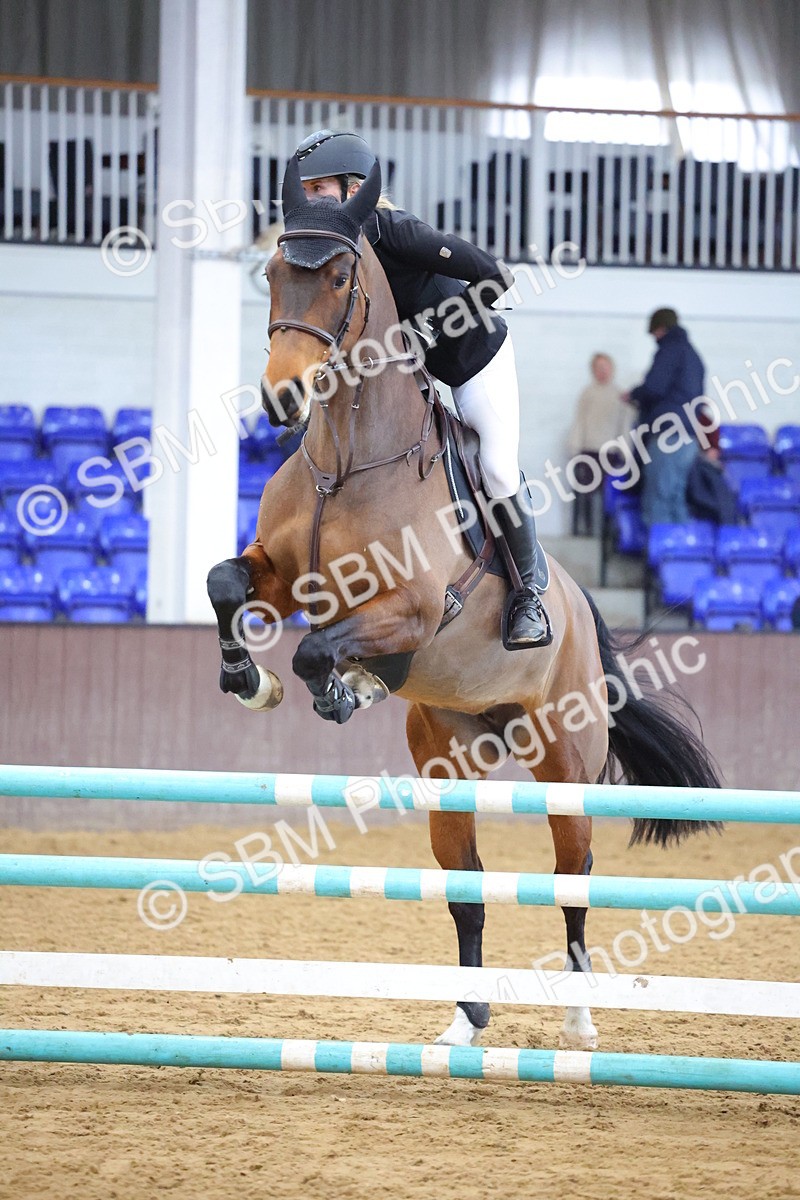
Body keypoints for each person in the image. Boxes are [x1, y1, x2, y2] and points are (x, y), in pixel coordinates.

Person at [291, 128, 549, 649]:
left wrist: (433, 328)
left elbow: (495, 279)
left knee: (496, 467)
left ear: (352, 188)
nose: (311, 198)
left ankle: (530, 596)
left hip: (473, 360)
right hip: (416, 373)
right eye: (307, 189)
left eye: (321, 189)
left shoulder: (395, 232)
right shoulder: (334, 251)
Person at [624, 308, 704, 527]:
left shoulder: (670, 350)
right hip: (689, 436)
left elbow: (654, 387)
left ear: (661, 328)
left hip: (668, 434)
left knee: (657, 499)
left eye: (654, 332)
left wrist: (633, 394)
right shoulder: (694, 355)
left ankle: (658, 558)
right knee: (676, 498)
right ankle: (683, 557)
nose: (653, 338)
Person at [567, 352, 627, 535]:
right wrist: (574, 446)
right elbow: (580, 421)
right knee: (584, 494)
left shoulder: (620, 395)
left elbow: (624, 425)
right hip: (588, 450)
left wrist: (625, 452)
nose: (603, 371)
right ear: (593, 370)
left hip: (610, 452)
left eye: (605, 367)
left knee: (608, 496)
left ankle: (607, 534)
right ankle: (585, 530)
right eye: (598, 368)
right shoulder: (588, 393)